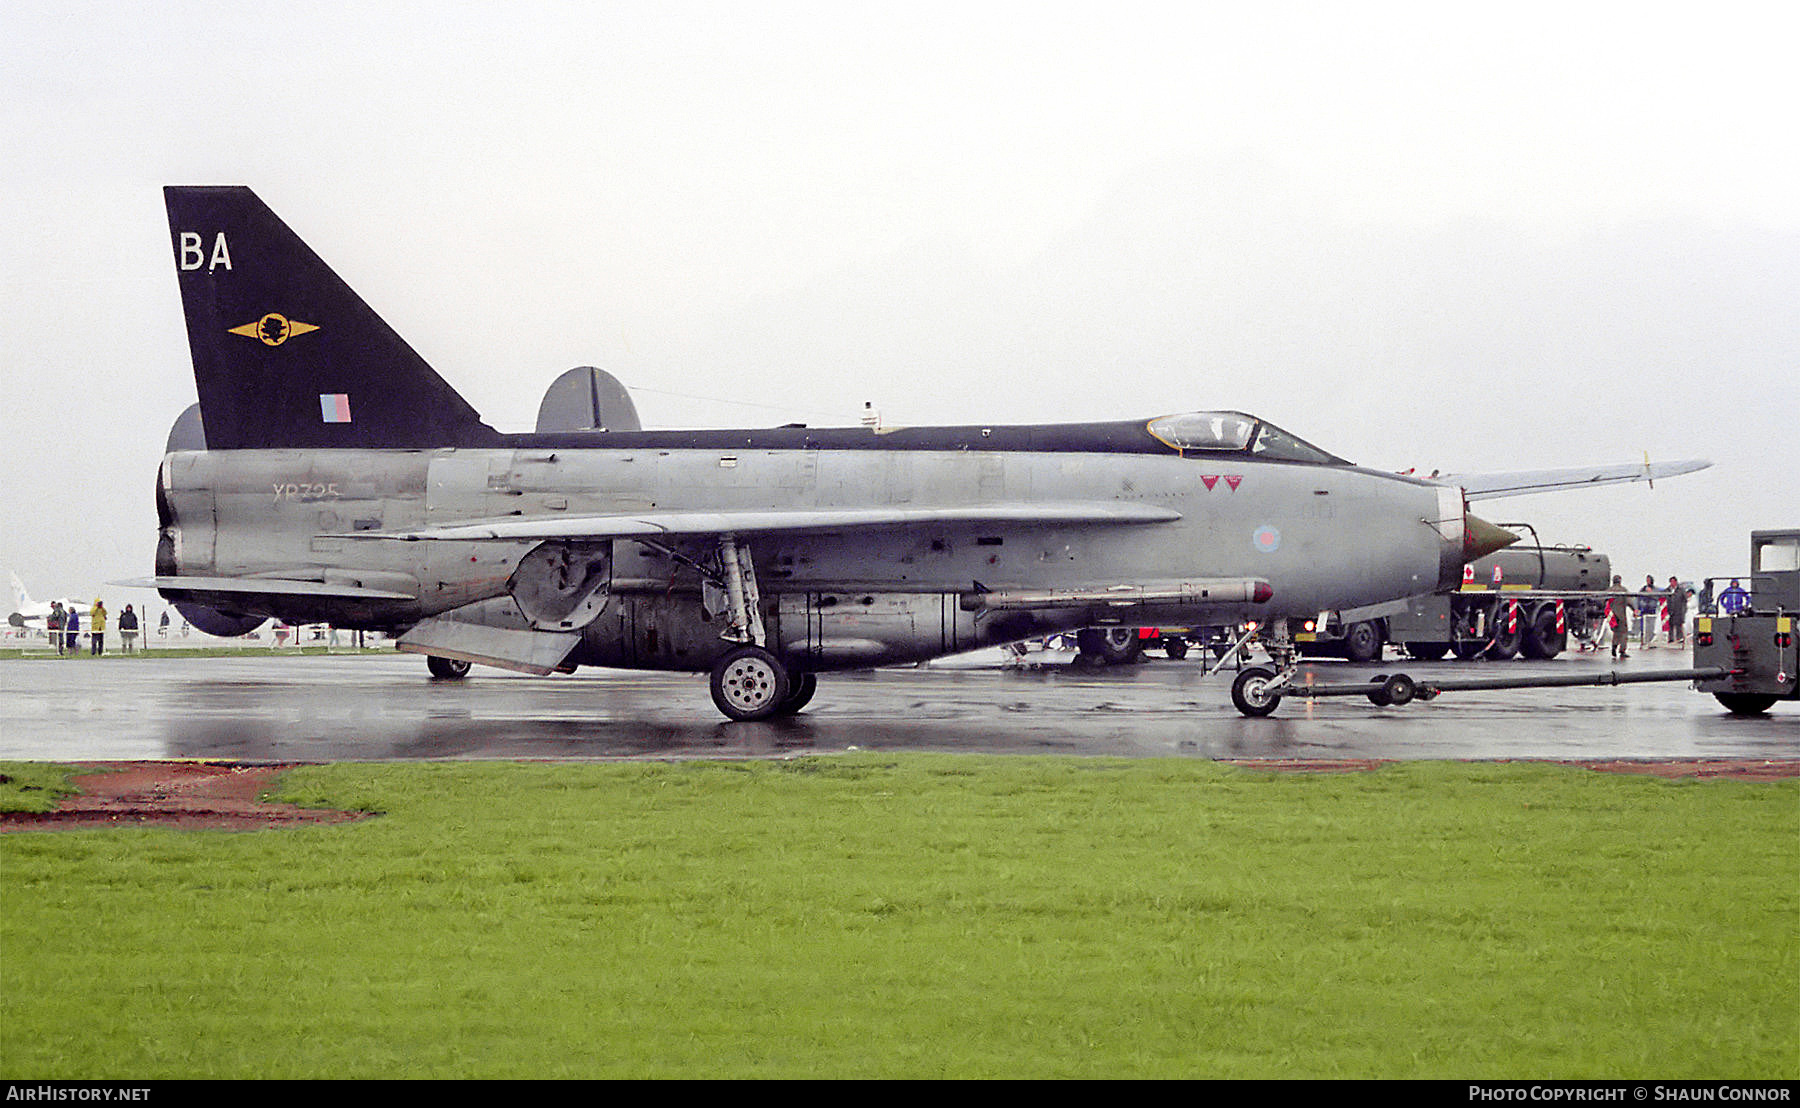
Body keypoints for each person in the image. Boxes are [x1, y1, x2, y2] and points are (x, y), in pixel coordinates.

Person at [1608, 575, 1630, 659]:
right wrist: (1635, 609)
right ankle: (1622, 650)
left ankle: (1614, 646)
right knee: (1623, 632)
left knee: (1616, 632)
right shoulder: (1623, 590)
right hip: (1621, 614)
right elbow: (1629, 601)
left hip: (1612, 615)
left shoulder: (1609, 590)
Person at [1664, 577, 1689, 645]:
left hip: (1679, 610)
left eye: (1673, 581)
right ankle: (1671, 639)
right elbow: (1663, 598)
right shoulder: (1667, 590)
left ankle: (1679, 638)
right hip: (1670, 610)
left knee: (1679, 625)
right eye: (1671, 582)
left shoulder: (1681, 590)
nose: (1672, 583)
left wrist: (1683, 610)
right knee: (1670, 625)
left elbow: (1685, 600)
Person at [1637, 574, 1659, 648]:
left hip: (1652, 611)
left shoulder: (1655, 589)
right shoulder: (1643, 589)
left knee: (1651, 627)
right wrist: (1638, 608)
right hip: (1644, 610)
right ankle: (1643, 641)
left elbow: (1657, 597)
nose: (1648, 581)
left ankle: (1650, 641)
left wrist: (1651, 593)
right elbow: (1639, 598)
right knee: (1643, 627)